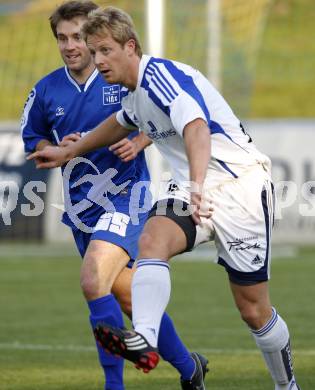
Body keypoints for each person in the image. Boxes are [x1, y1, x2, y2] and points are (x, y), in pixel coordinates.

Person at [27, 5, 301, 390]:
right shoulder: (133, 95)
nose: (98, 59)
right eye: (94, 50)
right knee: (153, 238)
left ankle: (286, 385)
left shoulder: (160, 77)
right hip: (192, 184)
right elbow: (118, 123)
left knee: (253, 310)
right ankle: (144, 338)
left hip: (240, 189)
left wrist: (199, 186)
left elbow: (196, 127)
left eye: (104, 50)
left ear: (131, 47)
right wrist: (70, 151)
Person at [22, 2, 209, 390]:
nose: (71, 46)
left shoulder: (119, 78)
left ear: (93, 40)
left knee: (93, 280)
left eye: (78, 37)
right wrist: (57, 147)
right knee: (127, 297)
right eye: (62, 38)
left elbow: (161, 115)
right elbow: (33, 140)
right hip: (81, 209)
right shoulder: (45, 90)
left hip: (128, 197)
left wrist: (140, 140)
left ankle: (114, 386)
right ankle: (191, 368)